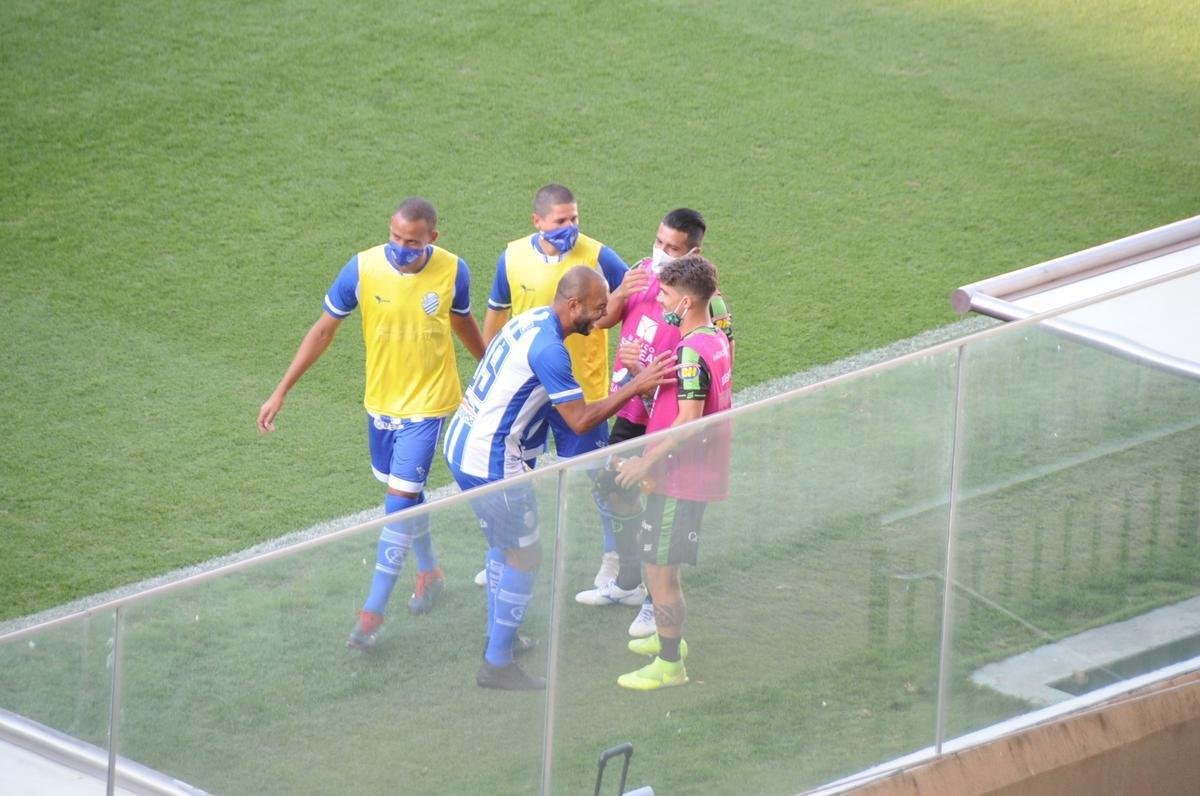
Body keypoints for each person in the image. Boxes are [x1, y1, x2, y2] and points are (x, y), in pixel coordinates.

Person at [257, 197, 485, 651]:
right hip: (381, 404)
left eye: (412, 242)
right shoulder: (361, 269)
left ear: (432, 238)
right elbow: (324, 330)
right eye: (395, 237)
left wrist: (488, 366)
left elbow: (462, 322)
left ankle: (372, 613)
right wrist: (282, 389)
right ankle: (430, 573)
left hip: (428, 406)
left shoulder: (453, 270)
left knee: (397, 507)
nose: (401, 247)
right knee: (408, 495)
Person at [445, 266, 675, 690]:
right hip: (492, 460)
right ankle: (497, 663)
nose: (602, 316)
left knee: (503, 545)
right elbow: (580, 420)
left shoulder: (531, 319)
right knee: (525, 555)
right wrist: (635, 385)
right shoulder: (551, 350)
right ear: (573, 305)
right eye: (598, 308)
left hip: (463, 443)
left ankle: (500, 638)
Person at [574, 209, 733, 644]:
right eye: (658, 242)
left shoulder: (709, 306)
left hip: (667, 413)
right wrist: (620, 291)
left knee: (658, 506)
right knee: (613, 486)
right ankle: (629, 581)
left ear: (693, 253)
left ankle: (653, 597)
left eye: (672, 248)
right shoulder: (641, 273)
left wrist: (644, 375)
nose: (660, 253)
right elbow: (603, 320)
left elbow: (713, 371)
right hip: (634, 405)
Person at [478, 183, 645, 590]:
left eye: (574, 218)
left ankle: (612, 557)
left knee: (598, 477)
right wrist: (489, 366)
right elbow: (496, 313)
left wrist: (619, 300)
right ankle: (504, 551)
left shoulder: (598, 254)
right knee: (515, 473)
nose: (570, 227)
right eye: (560, 221)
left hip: (581, 393)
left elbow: (627, 303)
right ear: (537, 221)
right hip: (529, 397)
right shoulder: (512, 257)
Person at [612, 254, 733, 691]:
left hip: (680, 480)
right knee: (663, 567)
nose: (659, 300)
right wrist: (639, 373)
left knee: (659, 571)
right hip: (689, 475)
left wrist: (644, 462)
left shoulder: (692, 351)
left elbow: (688, 421)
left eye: (664, 294)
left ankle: (669, 664)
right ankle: (670, 640)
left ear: (685, 303)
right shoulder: (714, 339)